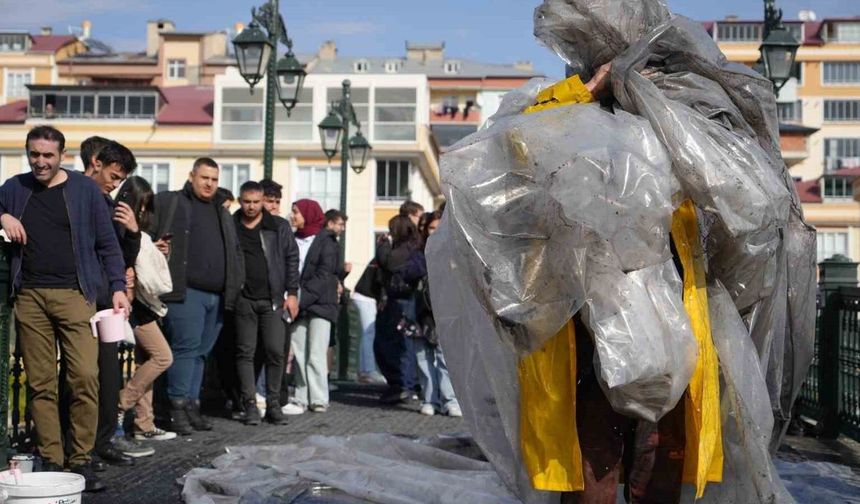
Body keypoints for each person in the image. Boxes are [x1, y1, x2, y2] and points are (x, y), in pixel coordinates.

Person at [0, 125, 130, 492]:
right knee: (41, 384)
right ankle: (52, 460)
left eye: (48, 155)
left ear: (61, 156)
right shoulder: (14, 187)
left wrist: (118, 287)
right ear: (28, 153)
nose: (40, 162)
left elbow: (107, 243)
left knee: (84, 377)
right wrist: (3, 216)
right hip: (30, 296)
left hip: (77, 295)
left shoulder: (84, 189)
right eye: (34, 154)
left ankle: (81, 460)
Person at [149, 157, 244, 435]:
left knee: (201, 354)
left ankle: (192, 404)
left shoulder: (220, 210)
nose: (209, 184)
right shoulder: (173, 201)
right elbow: (147, 227)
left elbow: (233, 249)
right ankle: (176, 408)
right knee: (185, 350)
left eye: (214, 179)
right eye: (205, 178)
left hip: (217, 294)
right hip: (185, 292)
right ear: (192, 176)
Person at [82, 138, 155, 465]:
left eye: (121, 179)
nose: (116, 184)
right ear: (95, 162)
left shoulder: (109, 205)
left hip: (106, 302)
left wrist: (133, 231)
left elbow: (120, 257)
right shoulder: (75, 194)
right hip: (80, 298)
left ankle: (104, 440)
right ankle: (81, 446)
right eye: (114, 176)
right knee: (82, 377)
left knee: (109, 375)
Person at [114, 176, 177, 442]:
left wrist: (158, 251)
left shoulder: (139, 231)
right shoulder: (119, 227)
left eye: (146, 206)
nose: (142, 211)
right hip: (134, 306)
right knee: (163, 357)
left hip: (143, 304)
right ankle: (121, 404)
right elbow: (127, 261)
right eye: (141, 204)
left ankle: (144, 424)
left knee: (145, 363)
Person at [233, 181, 299, 425]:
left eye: (256, 202)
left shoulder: (278, 226)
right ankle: (250, 404)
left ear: (262, 201)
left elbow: (292, 258)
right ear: (241, 201)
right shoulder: (231, 224)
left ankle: (273, 404)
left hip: (273, 299)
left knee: (275, 351)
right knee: (245, 352)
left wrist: (292, 293)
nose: (251, 207)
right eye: (247, 202)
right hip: (243, 299)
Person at [282, 199, 339, 415]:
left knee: (316, 352)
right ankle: (301, 396)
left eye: (296, 212)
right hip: (297, 303)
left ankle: (318, 398)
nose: (293, 215)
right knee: (299, 351)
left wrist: (299, 299)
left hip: (320, 304)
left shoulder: (327, 241)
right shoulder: (292, 238)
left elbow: (324, 275)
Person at [375, 215, 427, 404]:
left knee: (402, 344)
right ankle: (402, 384)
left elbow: (386, 262)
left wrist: (383, 245)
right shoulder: (412, 247)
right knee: (396, 344)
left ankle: (405, 385)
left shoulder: (404, 249)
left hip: (403, 300)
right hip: (398, 299)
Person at [415, 210, 460, 417]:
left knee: (445, 357)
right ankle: (429, 399)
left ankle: (449, 399)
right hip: (421, 311)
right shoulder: (417, 252)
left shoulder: (454, 251)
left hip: (446, 310)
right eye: (431, 228)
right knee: (423, 357)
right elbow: (406, 272)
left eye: (438, 228)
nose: (435, 232)